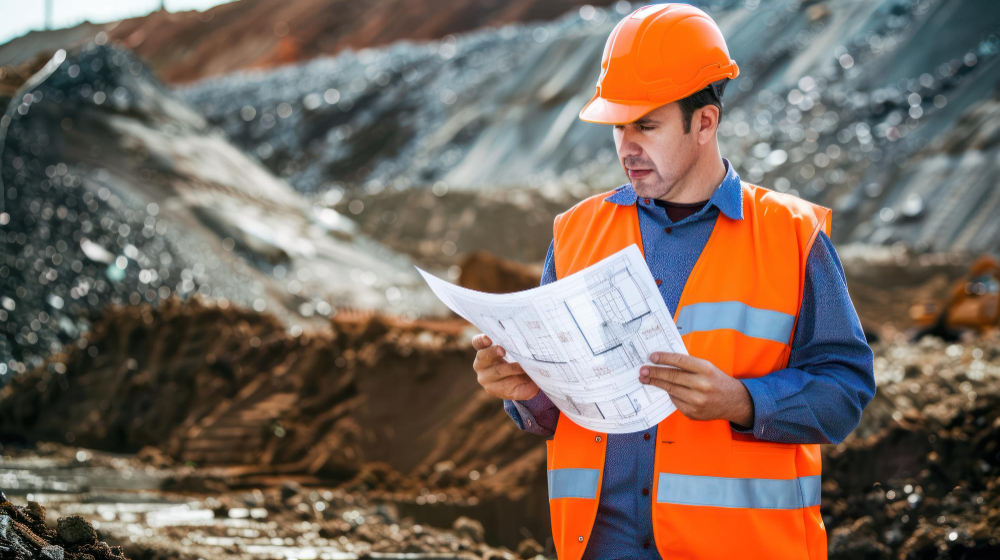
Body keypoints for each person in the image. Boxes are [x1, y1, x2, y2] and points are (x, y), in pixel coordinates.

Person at [471, 4, 875, 560]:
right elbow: (559, 405)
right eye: (619, 127)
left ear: (704, 122)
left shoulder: (791, 237)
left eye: (646, 125)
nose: (626, 147)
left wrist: (743, 401)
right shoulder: (575, 233)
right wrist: (527, 391)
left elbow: (845, 392)